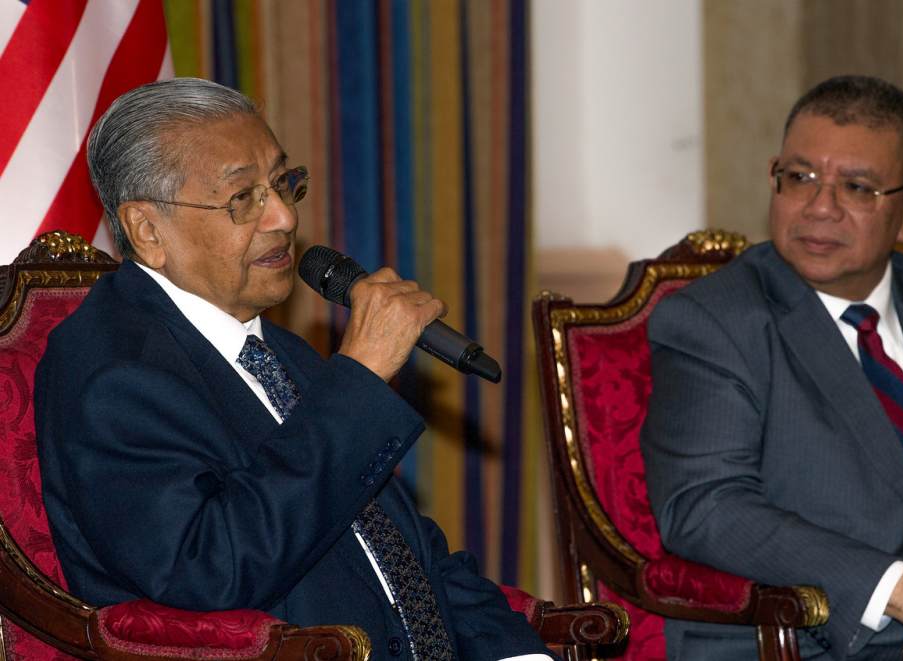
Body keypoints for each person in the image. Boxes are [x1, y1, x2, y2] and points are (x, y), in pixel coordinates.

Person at [34, 78, 552, 661]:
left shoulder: (283, 352)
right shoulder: (114, 374)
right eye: (243, 198)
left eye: (281, 183)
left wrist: (518, 653)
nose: (283, 217)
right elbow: (213, 573)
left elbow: (406, 550)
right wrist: (357, 377)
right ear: (148, 230)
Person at [639, 74, 903, 661]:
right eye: (799, 178)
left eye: (857, 187)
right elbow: (704, 506)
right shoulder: (716, 322)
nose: (819, 207)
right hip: (821, 642)